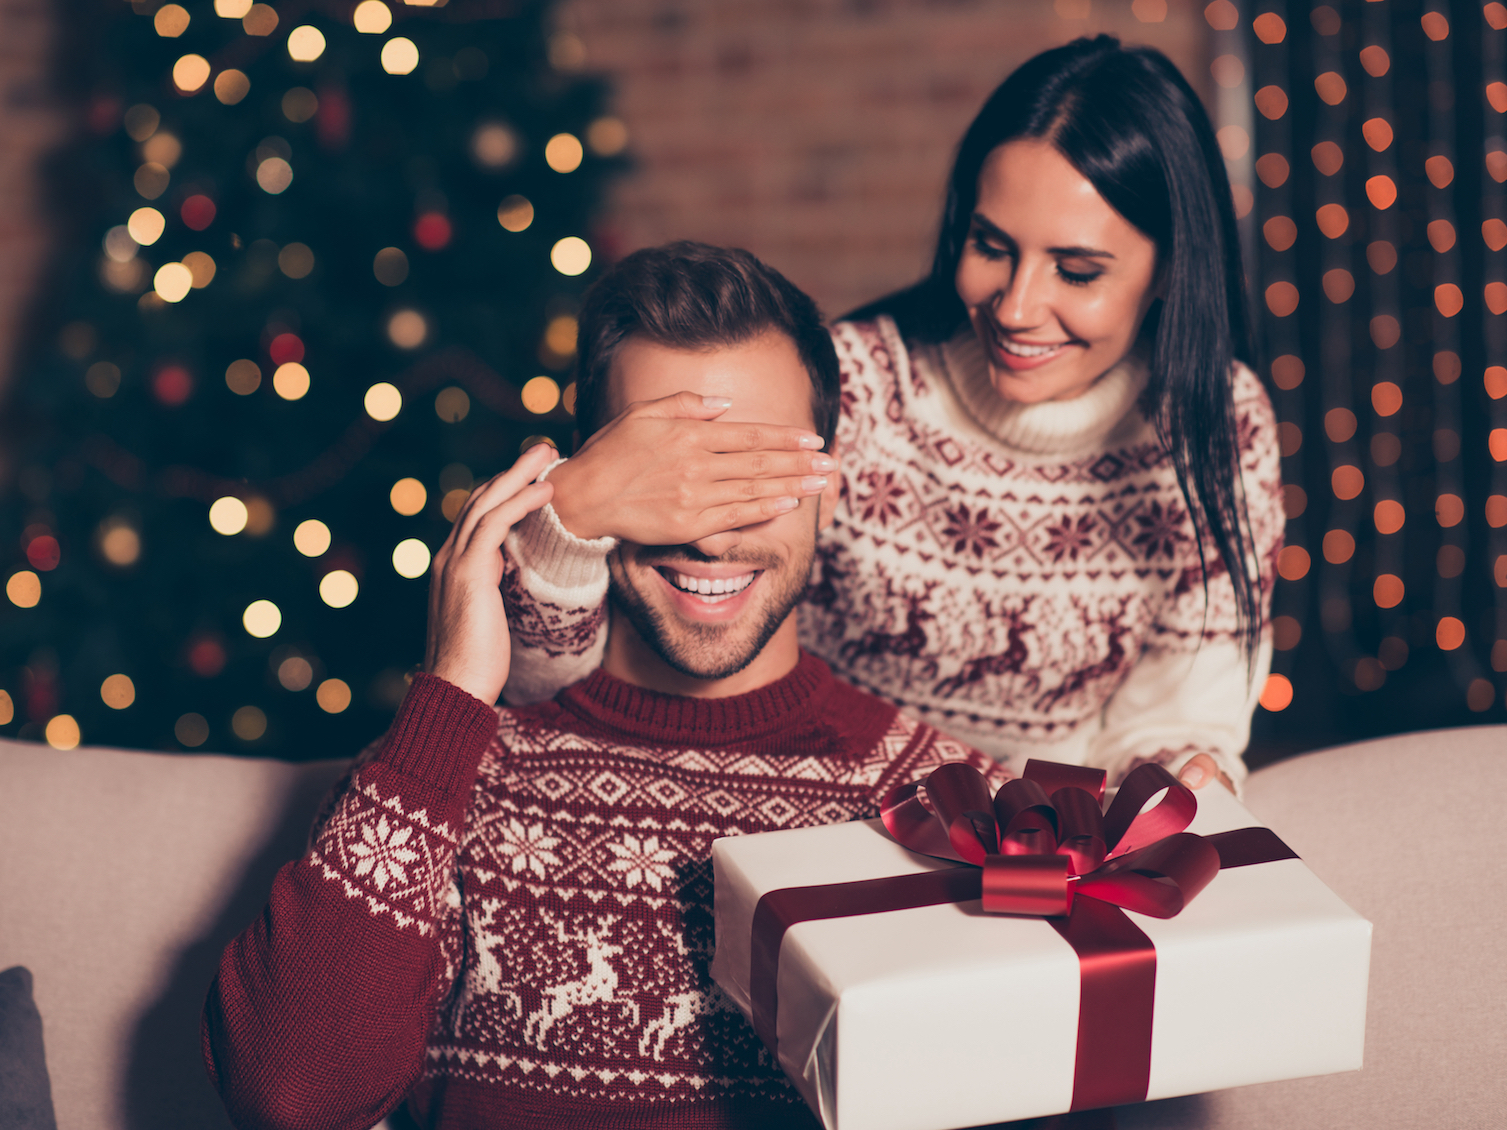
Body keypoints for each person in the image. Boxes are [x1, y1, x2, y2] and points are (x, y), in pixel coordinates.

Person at [201, 244, 1002, 1130]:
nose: (706, 535)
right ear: (587, 485)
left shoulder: (939, 801)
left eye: (755, 475)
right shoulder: (449, 773)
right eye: (666, 480)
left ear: (830, 491)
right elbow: (288, 1097)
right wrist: (453, 688)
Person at [498, 36, 1283, 796]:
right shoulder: (860, 387)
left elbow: (1180, 715)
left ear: (1172, 270)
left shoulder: (1221, 425)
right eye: (990, 245)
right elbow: (577, 676)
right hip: (832, 813)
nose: (1015, 306)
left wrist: (1172, 784)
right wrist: (567, 523)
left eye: (1075, 271)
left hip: (1056, 837)